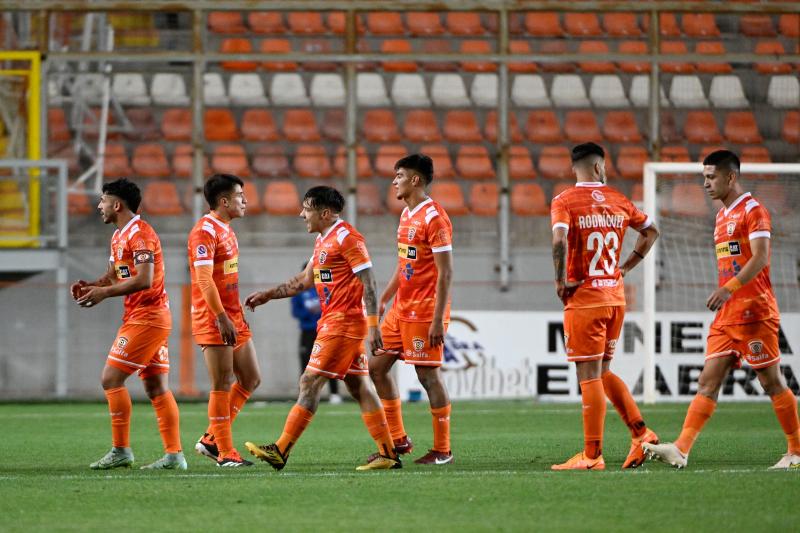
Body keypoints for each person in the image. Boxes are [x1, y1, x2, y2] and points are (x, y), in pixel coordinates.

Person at [644, 150, 800, 470]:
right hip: (728, 315)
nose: (705, 183)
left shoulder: (753, 211)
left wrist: (728, 288)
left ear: (730, 177)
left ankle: (796, 451)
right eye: (703, 177)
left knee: (771, 382)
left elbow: (759, 257)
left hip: (755, 312)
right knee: (708, 380)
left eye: (711, 177)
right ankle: (682, 449)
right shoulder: (721, 215)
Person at [244, 186, 400, 471]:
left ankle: (281, 450)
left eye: (307, 208)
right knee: (359, 386)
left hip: (343, 323)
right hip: (336, 321)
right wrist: (268, 294)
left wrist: (374, 326)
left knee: (309, 381)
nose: (301, 214)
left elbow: (370, 282)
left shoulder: (348, 238)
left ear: (325, 213)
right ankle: (388, 452)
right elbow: (304, 280)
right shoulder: (323, 240)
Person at [550, 142, 660, 471]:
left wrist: (559, 280)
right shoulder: (619, 200)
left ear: (575, 168)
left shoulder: (564, 200)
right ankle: (641, 434)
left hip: (584, 300)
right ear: (599, 167)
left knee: (588, 376)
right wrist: (628, 265)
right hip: (615, 297)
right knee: (603, 372)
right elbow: (651, 231)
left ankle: (592, 455)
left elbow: (558, 240)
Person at [71, 178, 185, 470]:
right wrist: (92, 286)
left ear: (117, 204)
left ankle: (121, 450)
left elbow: (144, 279)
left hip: (148, 318)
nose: (99, 206)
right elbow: (114, 276)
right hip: (144, 317)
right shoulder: (119, 235)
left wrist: (104, 293)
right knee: (157, 387)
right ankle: (175, 456)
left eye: (103, 200)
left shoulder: (141, 234)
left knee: (110, 379)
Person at [369, 154, 455, 465]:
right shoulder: (407, 216)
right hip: (401, 308)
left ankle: (442, 450)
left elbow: (446, 272)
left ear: (415, 180)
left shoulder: (435, 218)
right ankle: (399, 439)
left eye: (400, 175)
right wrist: (384, 297)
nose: (394, 181)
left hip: (425, 310)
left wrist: (437, 320)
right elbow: (405, 264)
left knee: (427, 376)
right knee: (376, 367)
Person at [188, 173, 261, 467]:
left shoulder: (227, 229)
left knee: (251, 378)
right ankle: (225, 453)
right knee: (221, 383)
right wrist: (220, 317)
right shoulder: (204, 232)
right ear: (224, 201)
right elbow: (204, 280)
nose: (245, 201)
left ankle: (210, 439)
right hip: (214, 318)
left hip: (233, 317)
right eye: (240, 195)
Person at [291, 262, 342, 404]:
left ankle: (334, 393)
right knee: (306, 362)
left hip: (325, 330)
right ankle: (304, 393)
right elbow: (295, 311)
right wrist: (308, 312)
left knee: (330, 361)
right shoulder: (299, 292)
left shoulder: (325, 287)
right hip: (308, 331)